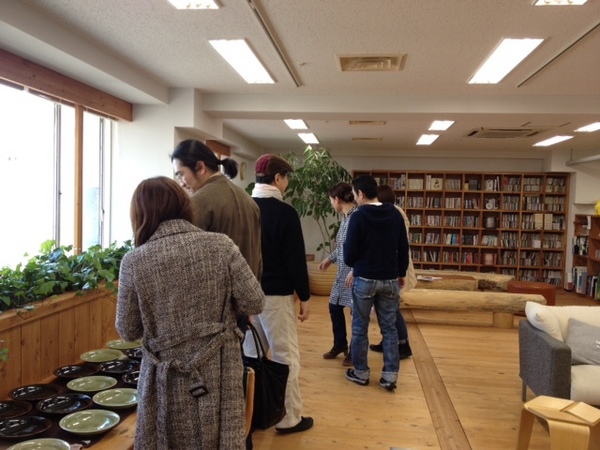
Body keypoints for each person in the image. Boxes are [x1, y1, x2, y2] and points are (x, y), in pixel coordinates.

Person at [116, 176, 265, 450]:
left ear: (140, 215)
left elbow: (128, 330)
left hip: (164, 375)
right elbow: (254, 302)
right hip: (219, 366)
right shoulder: (221, 246)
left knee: (166, 439)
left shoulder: (134, 261)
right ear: (184, 205)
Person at [242, 154, 314, 434]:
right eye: (286, 179)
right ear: (277, 178)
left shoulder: (243, 208)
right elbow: (295, 261)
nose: (287, 184)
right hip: (276, 297)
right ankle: (288, 419)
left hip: (246, 295)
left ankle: (251, 417)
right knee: (285, 355)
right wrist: (305, 297)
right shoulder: (285, 213)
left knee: (250, 356)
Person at [343, 175, 410, 391]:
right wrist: (401, 272)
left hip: (364, 279)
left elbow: (349, 255)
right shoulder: (395, 214)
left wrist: (356, 261)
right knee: (389, 328)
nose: (354, 198)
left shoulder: (358, 217)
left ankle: (361, 373)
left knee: (360, 327)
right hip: (390, 279)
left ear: (361, 194)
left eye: (354, 194)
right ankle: (390, 376)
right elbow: (403, 247)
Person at [171, 139, 261, 279]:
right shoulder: (248, 199)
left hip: (217, 291)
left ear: (200, 167)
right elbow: (258, 258)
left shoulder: (197, 202)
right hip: (251, 288)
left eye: (181, 175)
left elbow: (187, 263)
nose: (181, 184)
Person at [369, 184, 415, 360]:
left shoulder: (395, 214)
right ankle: (389, 341)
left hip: (393, 268)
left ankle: (403, 344)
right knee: (386, 308)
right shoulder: (393, 213)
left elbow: (395, 244)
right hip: (392, 267)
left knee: (392, 309)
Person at [319, 182, 356, 367]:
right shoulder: (345, 218)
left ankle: (354, 351)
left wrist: (356, 270)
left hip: (355, 275)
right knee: (334, 307)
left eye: (331, 200)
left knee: (356, 315)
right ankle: (340, 344)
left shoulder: (357, 217)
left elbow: (363, 247)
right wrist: (329, 259)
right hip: (342, 275)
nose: (331, 204)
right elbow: (342, 247)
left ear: (337, 199)